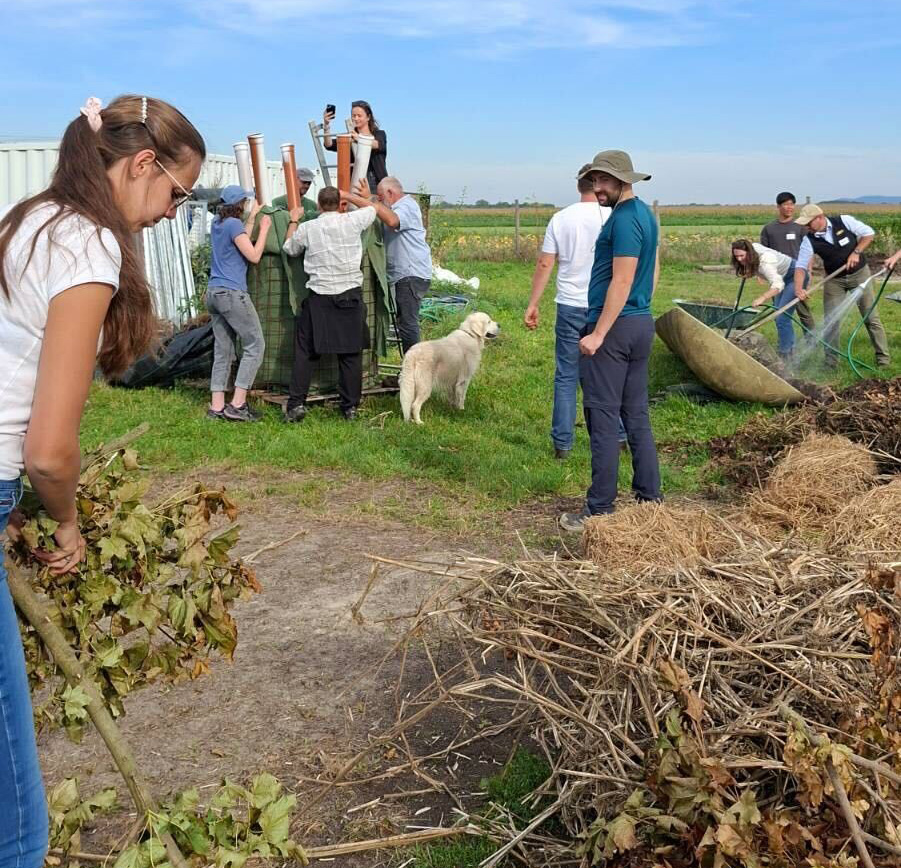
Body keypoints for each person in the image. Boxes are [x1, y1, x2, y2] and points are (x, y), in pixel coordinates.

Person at [0, 94, 204, 868]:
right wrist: (63, 520)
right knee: (15, 816)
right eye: (175, 196)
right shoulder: (86, 243)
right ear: (142, 163)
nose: (166, 215)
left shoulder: (29, 219)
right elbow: (52, 449)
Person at [559, 150, 661, 532]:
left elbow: (622, 278)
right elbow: (650, 273)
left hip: (614, 329)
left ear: (623, 180)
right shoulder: (645, 216)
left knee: (602, 418)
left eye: (603, 180)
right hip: (638, 323)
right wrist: (641, 307)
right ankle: (650, 501)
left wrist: (598, 333)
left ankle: (599, 509)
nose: (597, 187)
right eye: (594, 180)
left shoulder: (623, 220)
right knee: (635, 415)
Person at [523, 166, 615, 459]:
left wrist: (533, 303)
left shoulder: (561, 218)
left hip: (570, 304)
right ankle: (620, 436)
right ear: (600, 186)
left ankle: (562, 444)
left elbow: (545, 264)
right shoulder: (613, 217)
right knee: (608, 375)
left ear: (578, 187)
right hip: (604, 306)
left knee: (566, 375)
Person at [282, 186, 377, 421]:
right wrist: (351, 196)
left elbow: (289, 249)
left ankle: (296, 405)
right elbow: (373, 209)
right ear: (340, 203)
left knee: (305, 352)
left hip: (320, 297)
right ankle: (350, 408)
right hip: (349, 296)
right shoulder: (352, 221)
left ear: (319, 204)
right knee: (350, 355)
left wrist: (293, 221)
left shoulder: (308, 227)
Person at [792, 204, 890, 368]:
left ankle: (883, 361)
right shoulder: (808, 239)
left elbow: (869, 234)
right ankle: (831, 363)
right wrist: (798, 288)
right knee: (831, 320)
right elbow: (800, 267)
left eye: (809, 223)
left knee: (871, 317)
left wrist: (856, 252)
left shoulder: (844, 221)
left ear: (820, 217)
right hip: (834, 280)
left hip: (860, 275)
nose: (807, 227)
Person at [341, 176, 432, 353]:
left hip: (410, 273)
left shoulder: (407, 206)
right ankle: (410, 368)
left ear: (391, 192)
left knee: (408, 324)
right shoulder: (397, 206)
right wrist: (369, 198)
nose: (380, 200)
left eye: (382, 197)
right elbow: (379, 206)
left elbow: (391, 220)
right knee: (404, 322)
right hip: (405, 274)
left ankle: (413, 369)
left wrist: (348, 196)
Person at [206, 186, 271, 421]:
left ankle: (217, 407)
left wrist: (253, 217)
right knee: (255, 344)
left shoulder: (217, 222)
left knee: (223, 350)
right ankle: (238, 404)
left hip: (213, 293)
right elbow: (253, 255)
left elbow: (239, 237)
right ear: (239, 204)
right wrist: (263, 229)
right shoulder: (233, 225)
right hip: (232, 294)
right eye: (245, 202)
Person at [730, 239, 799, 360]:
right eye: (736, 256)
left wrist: (763, 297)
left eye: (742, 256)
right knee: (779, 318)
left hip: (794, 276)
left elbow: (778, 285)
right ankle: (786, 346)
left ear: (749, 253)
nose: (739, 259)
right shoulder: (753, 248)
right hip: (781, 277)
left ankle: (787, 354)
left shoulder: (766, 261)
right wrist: (752, 271)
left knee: (782, 317)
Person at [759, 192, 815, 333]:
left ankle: (811, 341)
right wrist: (761, 275)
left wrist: (809, 271)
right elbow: (762, 252)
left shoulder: (800, 227)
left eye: (791, 204)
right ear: (778, 206)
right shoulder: (769, 229)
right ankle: (785, 344)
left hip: (797, 273)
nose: (789, 207)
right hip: (778, 275)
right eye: (786, 204)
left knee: (803, 311)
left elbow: (809, 251)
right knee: (779, 312)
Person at [323, 100, 387, 192]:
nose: (356, 118)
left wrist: (359, 139)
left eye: (359, 116)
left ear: (368, 117)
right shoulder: (350, 137)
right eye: (353, 116)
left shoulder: (379, 134)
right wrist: (326, 125)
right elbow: (328, 144)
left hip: (376, 183)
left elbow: (378, 144)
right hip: (356, 184)